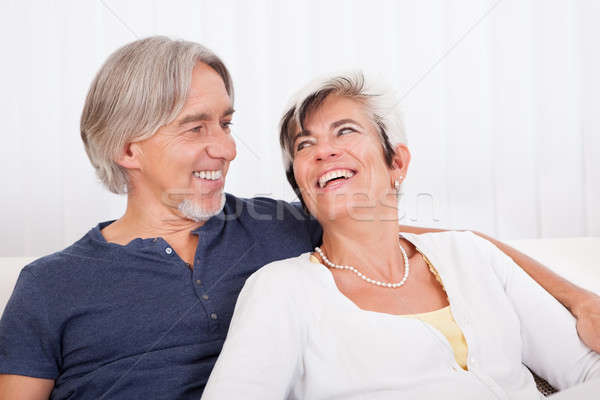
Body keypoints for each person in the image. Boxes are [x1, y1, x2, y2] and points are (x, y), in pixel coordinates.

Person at [0, 37, 597, 399]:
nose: (228, 148)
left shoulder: (276, 228)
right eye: (196, 127)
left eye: (227, 123)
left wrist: (578, 299)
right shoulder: (51, 285)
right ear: (127, 149)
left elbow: (443, 242)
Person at [202, 72, 600, 399]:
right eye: (305, 145)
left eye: (344, 132)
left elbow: (587, 370)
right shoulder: (280, 289)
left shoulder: (471, 254)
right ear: (302, 189)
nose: (324, 152)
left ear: (397, 162)